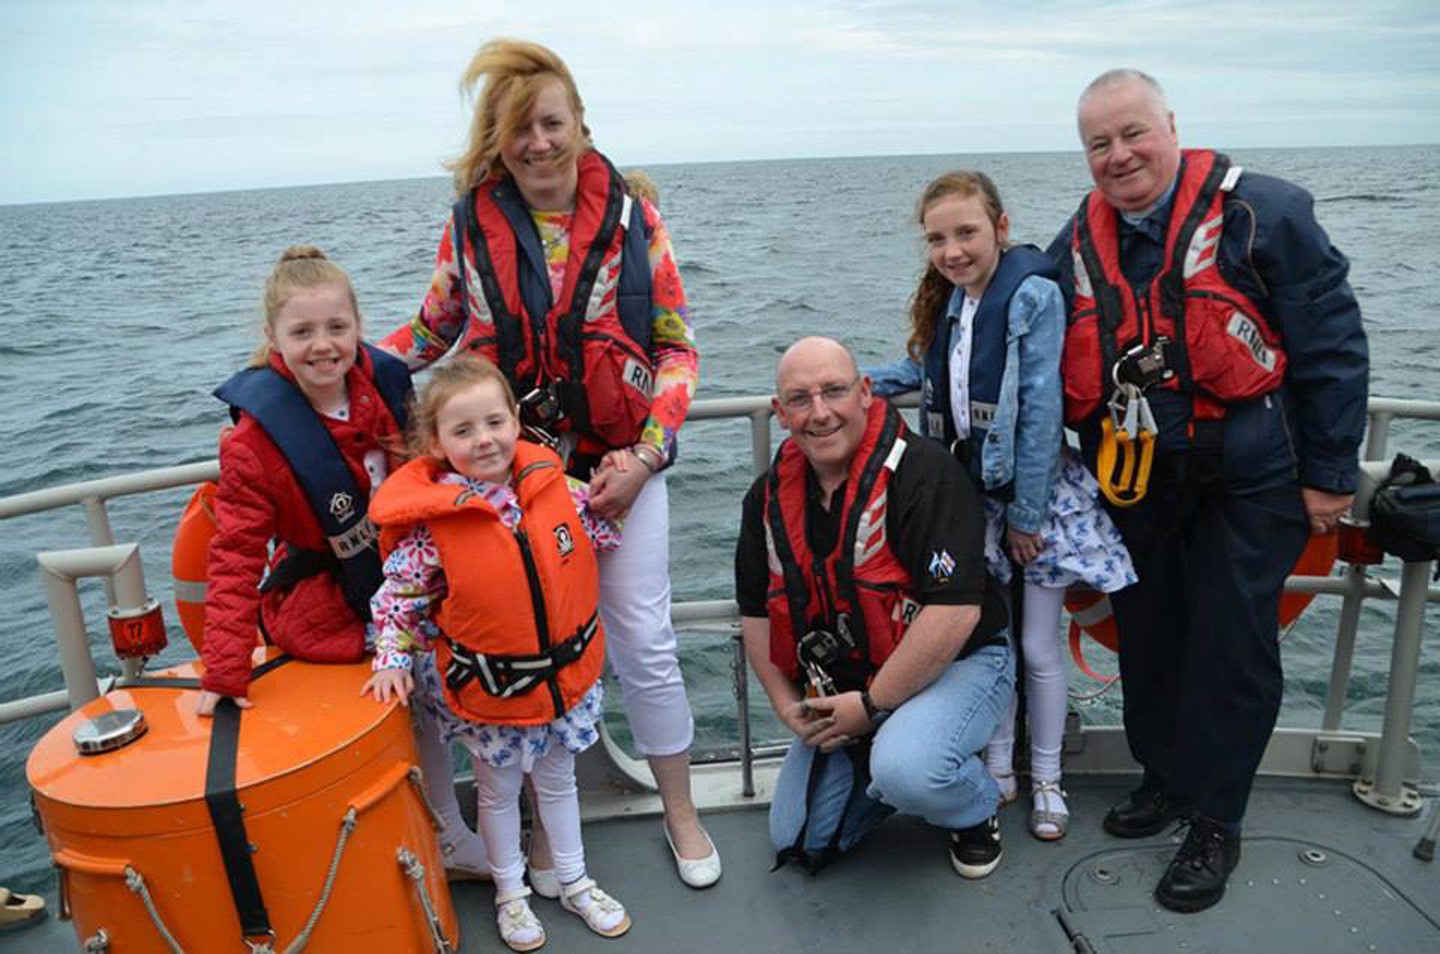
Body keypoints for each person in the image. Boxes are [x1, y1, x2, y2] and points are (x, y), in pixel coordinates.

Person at [379, 38, 719, 888]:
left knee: (642, 638)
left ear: (580, 125)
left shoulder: (637, 218)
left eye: (551, 124)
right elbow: (431, 332)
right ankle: (539, 832)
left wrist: (646, 455)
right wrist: (336, 364)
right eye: (518, 130)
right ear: (498, 142)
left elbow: (676, 348)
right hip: (508, 480)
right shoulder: (470, 226)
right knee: (521, 641)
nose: (538, 144)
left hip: (619, 469)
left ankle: (679, 809)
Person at [1046, 70, 1368, 912]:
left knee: (1231, 642)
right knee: (1150, 634)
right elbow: (1019, 316)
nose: (1119, 157)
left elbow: (1333, 344)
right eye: (1099, 144)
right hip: (1142, 481)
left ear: (1171, 127)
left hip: (1248, 478)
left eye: (1132, 135)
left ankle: (1217, 816)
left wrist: (1330, 475)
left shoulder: (1265, 216)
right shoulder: (1079, 239)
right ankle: (1167, 776)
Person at [198, 245, 490, 879]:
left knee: (468, 682)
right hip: (331, 604)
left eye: (337, 328)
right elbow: (234, 556)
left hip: (417, 580)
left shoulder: (384, 390)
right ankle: (437, 832)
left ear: (359, 327)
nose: (323, 346)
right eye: (302, 332)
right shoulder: (252, 444)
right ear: (273, 338)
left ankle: (469, 821)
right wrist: (225, 672)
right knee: (408, 693)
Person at [867, 172, 1136, 841]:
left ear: (1001, 229)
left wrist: (1025, 516)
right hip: (971, 499)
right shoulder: (955, 305)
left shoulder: (1030, 296)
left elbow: (1042, 412)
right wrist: (845, 387)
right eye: (937, 238)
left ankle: (1046, 776)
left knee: (1037, 646)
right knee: (989, 640)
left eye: (966, 233)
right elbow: (927, 373)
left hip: (1030, 502)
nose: (952, 250)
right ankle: (996, 764)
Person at [365, 355, 629, 950]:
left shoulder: (557, 487)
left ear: (515, 420)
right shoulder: (434, 526)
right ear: (435, 443)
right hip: (492, 692)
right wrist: (390, 660)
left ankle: (575, 880)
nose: (484, 440)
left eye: (494, 422)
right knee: (499, 791)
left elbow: (600, 532)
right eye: (463, 431)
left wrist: (617, 488)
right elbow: (399, 598)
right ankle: (511, 893)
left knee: (560, 783)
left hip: (565, 681)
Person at [735, 336, 1014, 877]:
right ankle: (895, 754)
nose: (819, 413)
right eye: (799, 399)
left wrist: (870, 707)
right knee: (798, 839)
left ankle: (973, 806)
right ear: (780, 412)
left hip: (959, 664)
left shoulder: (927, 476)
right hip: (850, 682)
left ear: (865, 393)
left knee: (910, 770)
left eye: (834, 391)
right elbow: (756, 613)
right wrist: (787, 704)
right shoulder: (766, 498)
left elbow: (955, 614)